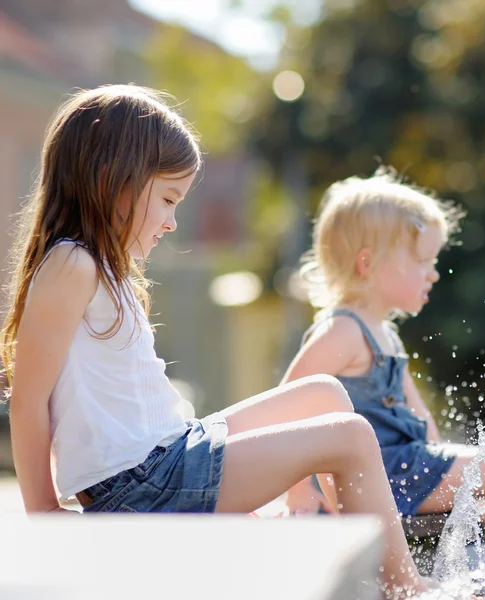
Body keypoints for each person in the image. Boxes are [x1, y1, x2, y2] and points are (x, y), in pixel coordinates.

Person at [0, 84, 439, 599]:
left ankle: (313, 527)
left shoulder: (103, 269)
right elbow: (30, 399)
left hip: (170, 450)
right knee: (348, 436)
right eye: (167, 199)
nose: (171, 220)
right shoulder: (71, 264)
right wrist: (46, 514)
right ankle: (403, 589)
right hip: (144, 483)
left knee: (323, 393)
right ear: (110, 179)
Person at [281, 166, 485, 599]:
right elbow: (289, 402)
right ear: (368, 263)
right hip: (379, 474)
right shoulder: (343, 330)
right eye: (422, 261)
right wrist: (299, 488)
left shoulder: (384, 333)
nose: (433, 273)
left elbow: (422, 420)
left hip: (406, 466)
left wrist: (460, 478)